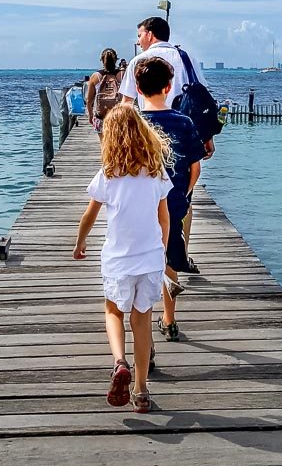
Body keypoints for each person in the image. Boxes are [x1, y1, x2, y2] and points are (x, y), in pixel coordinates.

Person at [73, 105, 172, 413]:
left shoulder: (109, 174)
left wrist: (80, 242)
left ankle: (119, 362)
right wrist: (162, 250)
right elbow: (164, 218)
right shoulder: (156, 170)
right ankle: (141, 392)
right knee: (141, 321)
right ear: (142, 131)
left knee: (114, 312)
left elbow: (89, 215)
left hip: (118, 260)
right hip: (150, 260)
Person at [135, 57, 206, 343]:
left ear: (138, 89)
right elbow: (195, 167)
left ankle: (145, 335)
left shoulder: (135, 122)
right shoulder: (184, 122)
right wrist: (185, 194)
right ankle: (169, 319)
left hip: (139, 205)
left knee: (141, 264)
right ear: (168, 87)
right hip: (174, 202)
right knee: (168, 260)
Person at [119, 16, 215, 160]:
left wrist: (123, 138)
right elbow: (202, 100)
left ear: (150, 35)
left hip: (149, 130)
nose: (138, 41)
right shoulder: (187, 58)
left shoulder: (137, 61)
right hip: (184, 130)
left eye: (140, 36)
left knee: (152, 174)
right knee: (184, 175)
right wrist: (208, 137)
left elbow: (127, 104)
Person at [86, 48, 124, 133]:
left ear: (102, 60)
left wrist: (90, 115)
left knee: (104, 144)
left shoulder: (95, 76)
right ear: (116, 60)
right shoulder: (122, 74)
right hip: (119, 115)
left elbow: (89, 100)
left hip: (101, 116)